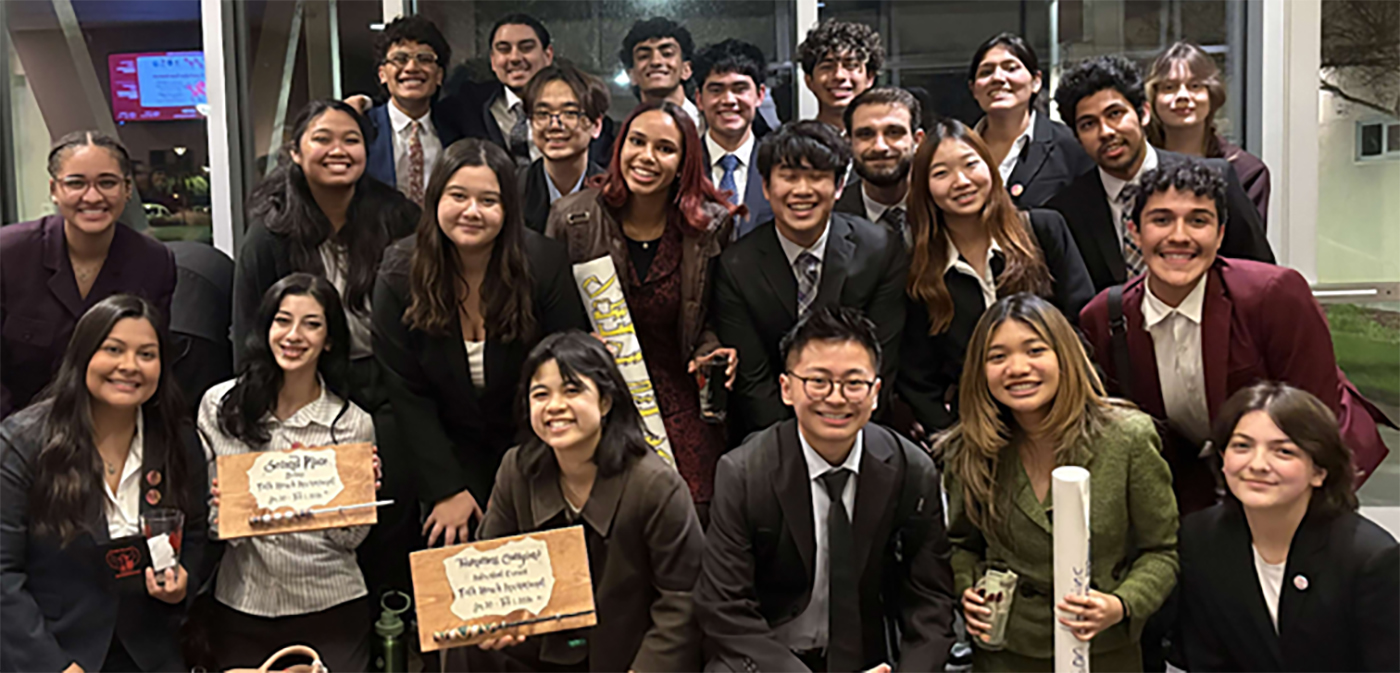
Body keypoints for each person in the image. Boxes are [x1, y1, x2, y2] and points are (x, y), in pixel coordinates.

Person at [1079, 158, 1393, 515]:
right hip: (1199, 482)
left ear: (1221, 234)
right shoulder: (1105, 316)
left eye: (1198, 221)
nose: (1179, 236)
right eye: (1161, 220)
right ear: (1134, 232)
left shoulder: (1273, 294)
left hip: (1302, 461)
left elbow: (1314, 411)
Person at [232, 98, 418, 610]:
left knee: (391, 507)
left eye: (351, 140)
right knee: (319, 518)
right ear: (295, 151)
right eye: (322, 139)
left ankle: (390, 625)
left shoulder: (398, 217)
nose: (339, 150)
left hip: (387, 385)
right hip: (306, 389)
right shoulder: (269, 233)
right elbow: (249, 334)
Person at [696, 307, 956, 672]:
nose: (836, 398)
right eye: (818, 381)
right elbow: (725, 608)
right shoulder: (743, 473)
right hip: (768, 660)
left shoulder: (910, 470)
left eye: (854, 383)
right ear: (787, 388)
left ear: (876, 392)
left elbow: (931, 600)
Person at [940, 292, 1178, 671]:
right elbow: (959, 545)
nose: (1017, 368)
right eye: (997, 357)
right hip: (1006, 653)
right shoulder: (969, 449)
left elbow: (1162, 552)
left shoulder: (1127, 438)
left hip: (1101, 651)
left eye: (1034, 350)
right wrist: (968, 588)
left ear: (1064, 356)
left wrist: (1121, 604)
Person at [375, 138, 588, 548]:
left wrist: (522, 479)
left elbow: (562, 368)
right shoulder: (399, 271)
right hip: (442, 445)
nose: (472, 212)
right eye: (458, 196)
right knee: (447, 540)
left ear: (507, 209)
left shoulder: (544, 263)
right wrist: (446, 488)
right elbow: (405, 390)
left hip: (532, 440)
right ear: (436, 197)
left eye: (488, 200)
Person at [462, 331, 705, 672]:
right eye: (540, 394)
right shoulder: (516, 470)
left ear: (605, 401)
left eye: (572, 389)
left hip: (625, 658)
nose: (555, 405)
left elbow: (683, 598)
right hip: (536, 651)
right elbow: (487, 569)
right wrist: (491, 618)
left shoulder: (655, 486)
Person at [547, 101, 740, 522]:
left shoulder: (711, 225)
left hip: (680, 394)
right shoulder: (573, 217)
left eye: (665, 148)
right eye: (637, 141)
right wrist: (578, 345)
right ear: (619, 148)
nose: (647, 157)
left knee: (690, 514)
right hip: (598, 394)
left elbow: (713, 317)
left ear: (685, 161)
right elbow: (550, 320)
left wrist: (715, 351)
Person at [0, 294, 208, 672]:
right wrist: (52, 666)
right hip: (52, 651)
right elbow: (3, 574)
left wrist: (183, 582)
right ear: (83, 356)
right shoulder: (23, 442)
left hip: (152, 654)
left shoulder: (178, 441)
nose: (130, 366)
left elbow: (196, 533)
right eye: (114, 349)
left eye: (146, 354)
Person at [201, 273, 377, 672]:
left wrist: (340, 496)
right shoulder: (219, 405)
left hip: (331, 603)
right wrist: (224, 509)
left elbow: (351, 539)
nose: (294, 335)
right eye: (282, 321)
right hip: (243, 603)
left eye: (312, 324)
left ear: (329, 339)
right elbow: (211, 528)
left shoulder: (352, 423)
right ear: (266, 328)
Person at [1175, 382, 1399, 672]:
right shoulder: (1200, 537)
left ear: (1319, 471)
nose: (1257, 464)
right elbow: (1205, 658)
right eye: (1242, 446)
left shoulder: (1370, 558)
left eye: (1283, 452)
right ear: (1222, 459)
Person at [713, 121, 907, 440]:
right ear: (766, 186)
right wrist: (794, 446)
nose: (802, 190)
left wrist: (842, 431)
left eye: (816, 177)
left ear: (839, 186)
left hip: (860, 426)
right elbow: (753, 378)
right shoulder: (738, 264)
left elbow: (881, 359)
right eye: (788, 177)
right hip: (770, 434)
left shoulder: (880, 250)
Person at [900, 119, 1094, 436]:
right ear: (924, 187)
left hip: (1063, 418)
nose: (960, 181)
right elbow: (917, 374)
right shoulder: (918, 266)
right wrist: (953, 437)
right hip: (977, 430)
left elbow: (1082, 324)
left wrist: (1077, 406)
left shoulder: (1043, 230)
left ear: (990, 167)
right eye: (941, 173)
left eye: (970, 164)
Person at [1044, 54, 1273, 293]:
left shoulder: (1215, 178)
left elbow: (1259, 275)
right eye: (1088, 124)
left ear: (1143, 113)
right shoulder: (1065, 211)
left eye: (1115, 114)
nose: (1106, 132)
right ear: (1078, 138)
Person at [1, 131, 176, 419]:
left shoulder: (153, 261)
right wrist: (17, 440)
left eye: (107, 183)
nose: (92, 197)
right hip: (14, 436)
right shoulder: (9, 254)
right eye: (76, 183)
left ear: (127, 189)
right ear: (54, 190)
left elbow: (152, 363)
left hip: (113, 427)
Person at [1146, 41, 1271, 228]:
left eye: (1195, 86)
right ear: (1153, 99)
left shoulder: (1245, 172)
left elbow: (1248, 253)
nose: (1182, 96)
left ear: (1212, 95)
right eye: (1169, 87)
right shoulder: (1136, 166)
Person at [968, 33, 1093, 209]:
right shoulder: (960, 148)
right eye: (986, 72)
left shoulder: (1070, 145)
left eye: (1011, 68)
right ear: (973, 89)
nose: (998, 78)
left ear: (1036, 81)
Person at [364, 15, 461, 204]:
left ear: (439, 75)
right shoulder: (362, 129)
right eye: (400, 58)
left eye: (424, 59)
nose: (411, 68)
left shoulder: (456, 131)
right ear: (382, 74)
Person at [693, 39, 775, 238]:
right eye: (716, 90)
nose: (728, 100)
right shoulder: (681, 165)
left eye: (740, 89)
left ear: (759, 95)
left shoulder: (779, 163)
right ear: (699, 99)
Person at [518, 63, 609, 233]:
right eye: (543, 114)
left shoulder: (611, 193)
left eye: (570, 113)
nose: (554, 125)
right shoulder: (513, 190)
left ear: (596, 125)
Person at [834, 87, 925, 243]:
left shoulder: (944, 208)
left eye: (894, 132)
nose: (879, 147)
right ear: (848, 143)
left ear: (917, 141)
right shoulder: (831, 219)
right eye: (865, 134)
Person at [796, 19, 883, 131]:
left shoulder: (885, 143)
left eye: (851, 65)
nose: (839, 75)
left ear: (870, 77)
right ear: (809, 81)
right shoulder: (796, 145)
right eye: (827, 67)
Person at [620, 17, 702, 122]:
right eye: (644, 56)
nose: (656, 62)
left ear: (686, 69)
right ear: (631, 74)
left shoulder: (711, 127)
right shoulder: (627, 132)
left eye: (667, 53)